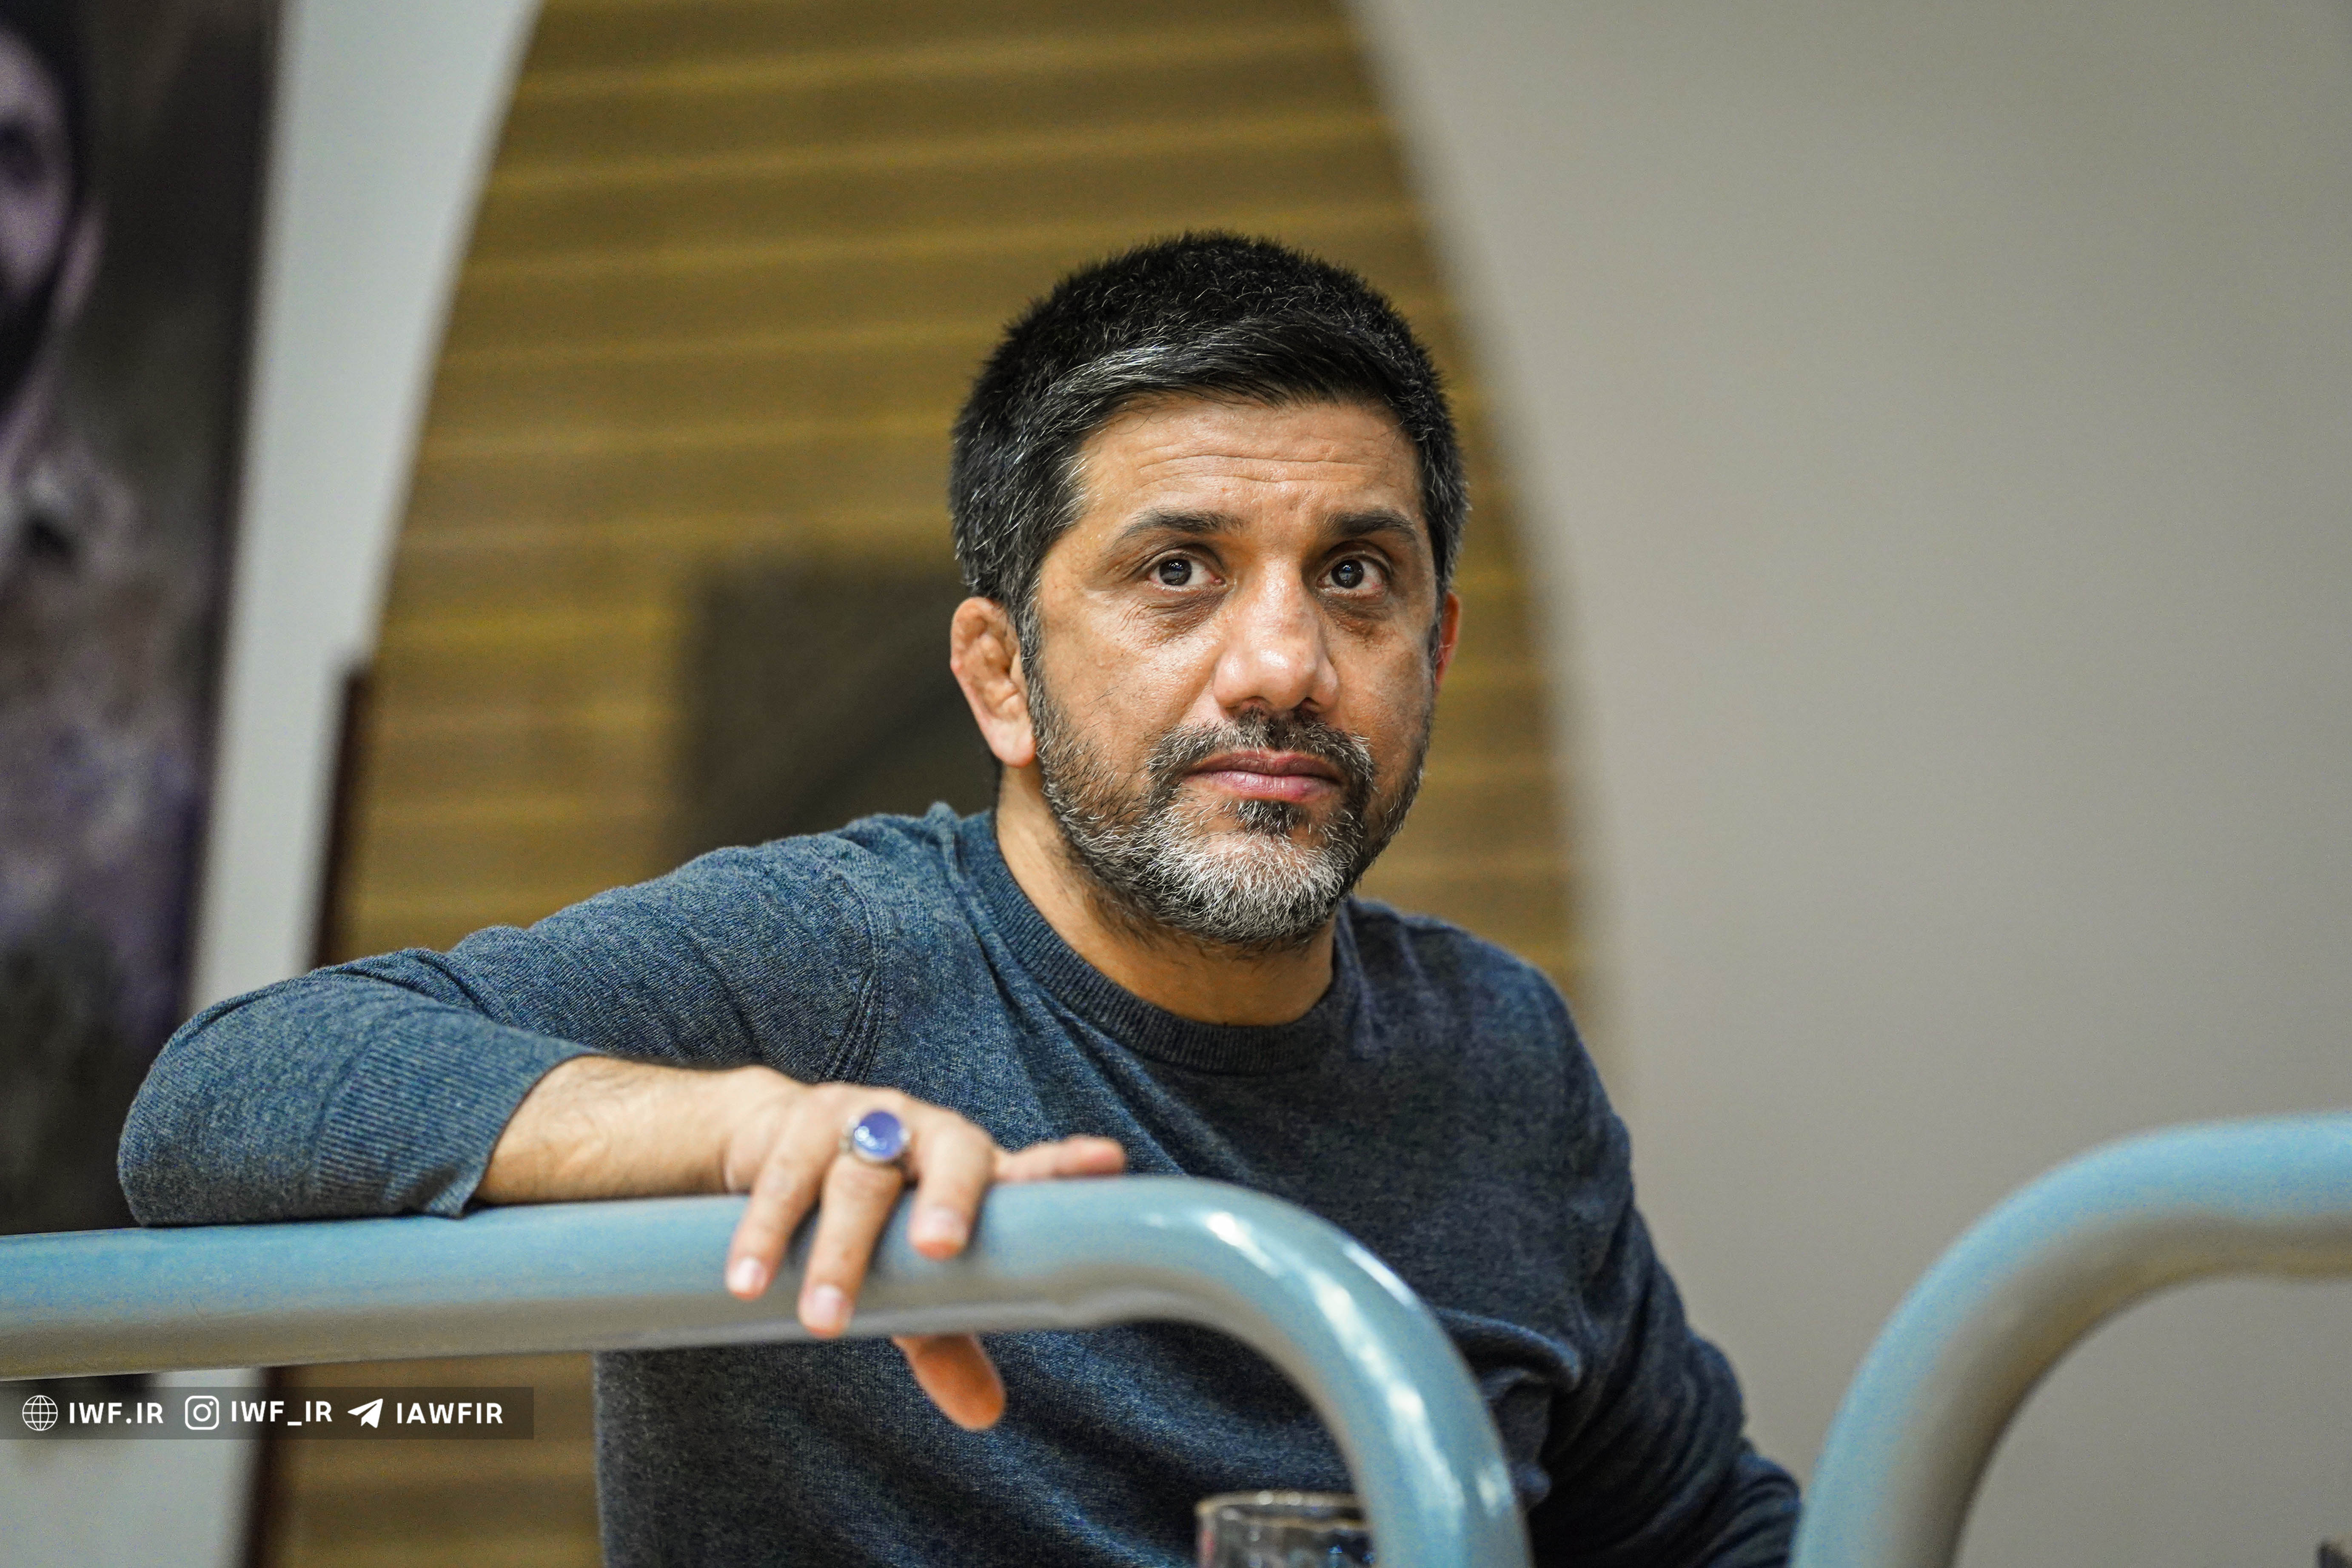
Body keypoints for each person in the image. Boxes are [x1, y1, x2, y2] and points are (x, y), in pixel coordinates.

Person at [121, 235, 1799, 1566]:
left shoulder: (1498, 1049)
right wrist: (736, 1130)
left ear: (1434, 648)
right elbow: (217, 1101)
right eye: (1178, 572)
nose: (1285, 664)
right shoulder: (824, 960)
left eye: (1356, 576)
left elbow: (1704, 1534)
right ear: (1000, 676)